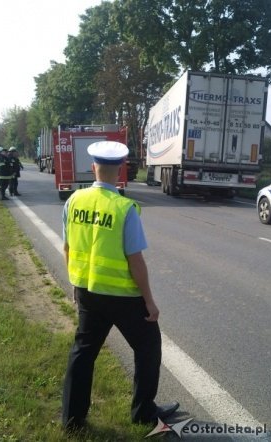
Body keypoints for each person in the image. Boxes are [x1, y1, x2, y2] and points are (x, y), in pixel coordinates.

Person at [61, 141, 178, 431]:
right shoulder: (125, 208)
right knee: (148, 346)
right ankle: (143, 412)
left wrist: (75, 283)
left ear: (93, 169)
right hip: (124, 296)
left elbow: (67, 247)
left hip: (88, 291)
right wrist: (149, 301)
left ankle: (72, 419)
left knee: (84, 352)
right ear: (121, 169)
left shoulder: (74, 200)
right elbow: (135, 260)